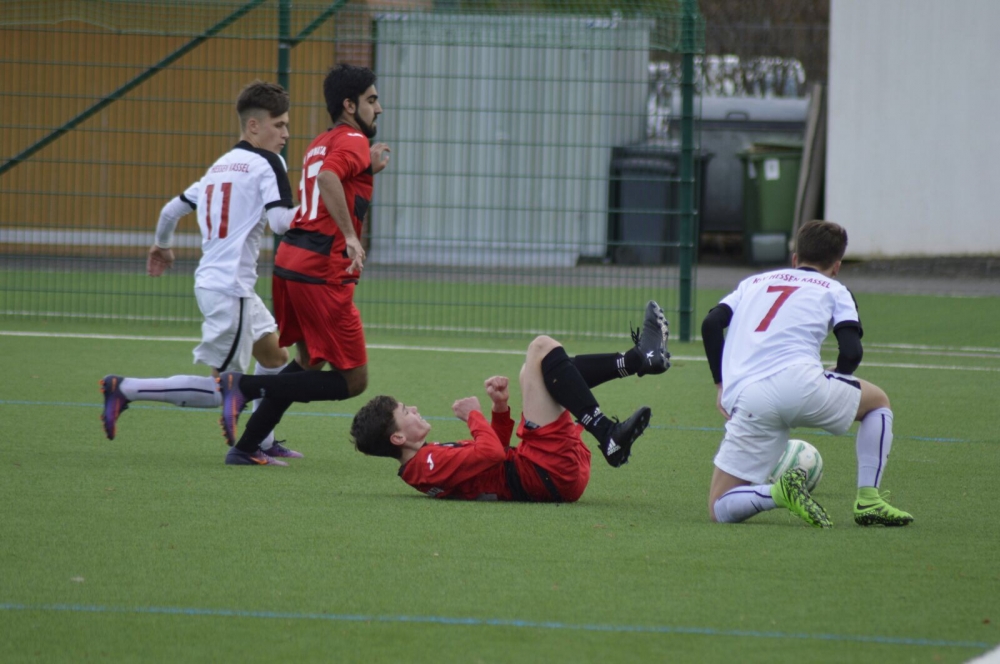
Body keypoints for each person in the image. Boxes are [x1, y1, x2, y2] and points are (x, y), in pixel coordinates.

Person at [100, 80, 301, 458]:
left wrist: (162, 244)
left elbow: (171, 210)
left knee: (275, 358)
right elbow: (280, 222)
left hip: (223, 286)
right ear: (254, 125)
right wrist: (321, 208)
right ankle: (124, 388)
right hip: (229, 289)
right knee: (224, 389)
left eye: (286, 125)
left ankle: (263, 439)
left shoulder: (219, 166)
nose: (286, 134)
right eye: (279, 125)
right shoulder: (267, 163)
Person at [219, 63, 390, 465]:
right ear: (350, 105)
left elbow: (328, 177)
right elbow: (330, 178)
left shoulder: (321, 141)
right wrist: (350, 236)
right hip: (322, 270)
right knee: (354, 381)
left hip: (291, 261)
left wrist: (366, 167)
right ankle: (242, 386)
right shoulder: (353, 140)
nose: (379, 108)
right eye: (371, 99)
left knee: (309, 361)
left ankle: (246, 447)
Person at [701, 220, 913, 528]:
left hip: (749, 397)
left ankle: (778, 493)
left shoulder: (754, 283)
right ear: (837, 266)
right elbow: (851, 351)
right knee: (878, 402)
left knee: (718, 506)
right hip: (803, 386)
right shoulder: (836, 290)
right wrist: (839, 374)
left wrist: (721, 383)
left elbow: (710, 325)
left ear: (795, 258)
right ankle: (869, 499)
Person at [346, 301, 670, 498]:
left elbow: (492, 455)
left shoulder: (423, 463)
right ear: (398, 438)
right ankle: (608, 431)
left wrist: (499, 410)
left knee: (534, 371)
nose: (414, 409)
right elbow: (491, 452)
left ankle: (638, 360)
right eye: (405, 411)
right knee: (540, 347)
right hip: (545, 473)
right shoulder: (426, 465)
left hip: (544, 473)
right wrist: (473, 416)